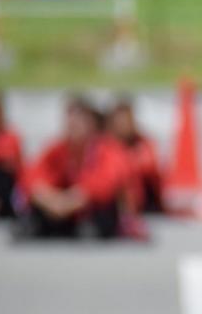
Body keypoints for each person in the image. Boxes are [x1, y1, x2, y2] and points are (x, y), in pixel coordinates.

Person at [14, 96, 131, 239]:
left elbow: (106, 184)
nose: (73, 126)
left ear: (92, 124)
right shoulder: (58, 148)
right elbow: (31, 176)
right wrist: (50, 199)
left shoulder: (107, 148)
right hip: (62, 205)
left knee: (104, 209)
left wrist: (71, 200)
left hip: (89, 208)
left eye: (79, 121)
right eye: (70, 121)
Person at [107, 97, 164, 213]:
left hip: (145, 199)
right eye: (118, 122)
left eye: (125, 121)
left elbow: (150, 165)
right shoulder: (105, 144)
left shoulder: (142, 142)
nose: (122, 126)